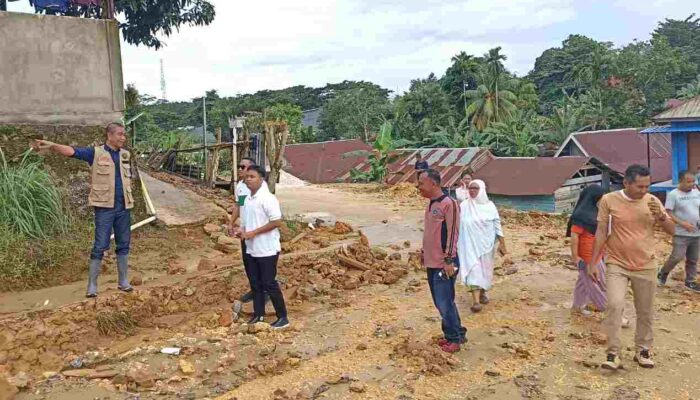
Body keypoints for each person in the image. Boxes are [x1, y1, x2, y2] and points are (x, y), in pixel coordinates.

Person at [33, 123, 135, 298]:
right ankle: (92, 286)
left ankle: (123, 281)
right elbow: (72, 151)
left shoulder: (125, 155)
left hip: (124, 207)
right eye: (120, 134)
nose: (123, 138)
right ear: (109, 136)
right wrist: (52, 145)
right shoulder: (95, 153)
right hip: (104, 208)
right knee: (100, 246)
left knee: (123, 244)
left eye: (124, 135)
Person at [589, 165, 675, 370]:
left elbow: (672, 230)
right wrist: (594, 262)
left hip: (646, 264)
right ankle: (612, 354)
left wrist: (662, 217)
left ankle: (643, 350)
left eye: (647, 186)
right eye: (639, 186)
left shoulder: (653, 201)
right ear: (626, 183)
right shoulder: (609, 200)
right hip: (617, 263)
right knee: (614, 305)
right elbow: (601, 231)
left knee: (645, 311)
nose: (644, 190)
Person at [234, 165, 289, 329]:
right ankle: (259, 315)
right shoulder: (248, 198)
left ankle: (282, 317)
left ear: (261, 178)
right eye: (247, 177)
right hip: (251, 247)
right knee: (255, 283)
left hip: (266, 248)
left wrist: (254, 233)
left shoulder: (268, 198)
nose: (248, 179)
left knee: (269, 283)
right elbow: (246, 221)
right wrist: (241, 231)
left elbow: (276, 221)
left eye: (252, 177)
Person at [417, 169, 466, 353]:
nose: (419, 187)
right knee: (443, 302)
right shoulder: (430, 204)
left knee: (444, 303)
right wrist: (424, 251)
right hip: (431, 261)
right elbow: (430, 232)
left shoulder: (449, 204)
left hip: (444, 263)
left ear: (434, 183)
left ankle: (453, 339)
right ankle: (458, 333)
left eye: (422, 183)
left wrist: (449, 260)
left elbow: (453, 233)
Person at [456, 180, 507, 313]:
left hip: (486, 246)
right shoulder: (464, 205)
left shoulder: (490, 207)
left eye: (475, 188)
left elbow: (497, 225)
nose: (472, 191)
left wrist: (502, 244)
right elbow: (456, 224)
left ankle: (482, 292)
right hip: (468, 245)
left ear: (482, 190)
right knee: (473, 270)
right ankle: (476, 301)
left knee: (485, 271)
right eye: (470, 188)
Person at [228, 157, 269, 305]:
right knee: (248, 262)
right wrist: (231, 223)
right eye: (239, 166)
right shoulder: (240, 186)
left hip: (257, 231)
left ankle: (265, 292)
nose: (240, 169)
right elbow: (239, 206)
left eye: (243, 167)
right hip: (245, 232)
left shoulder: (258, 187)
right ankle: (255, 289)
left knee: (260, 262)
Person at [566, 185, 608, 315]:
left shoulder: (597, 213)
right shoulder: (580, 215)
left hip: (597, 253)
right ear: (593, 198)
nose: (604, 201)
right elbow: (574, 236)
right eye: (602, 198)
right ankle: (607, 309)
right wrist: (575, 257)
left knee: (583, 281)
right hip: (587, 256)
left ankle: (577, 306)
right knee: (596, 282)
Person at [657, 170, 700, 292]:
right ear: (680, 181)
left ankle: (690, 281)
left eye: (693, 181)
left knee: (693, 258)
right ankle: (663, 272)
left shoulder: (696, 192)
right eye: (688, 182)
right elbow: (669, 212)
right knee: (677, 256)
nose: (692, 184)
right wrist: (683, 223)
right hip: (681, 233)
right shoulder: (673, 195)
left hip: (696, 232)